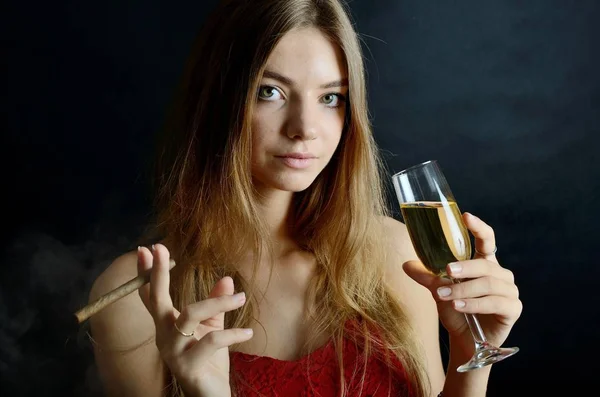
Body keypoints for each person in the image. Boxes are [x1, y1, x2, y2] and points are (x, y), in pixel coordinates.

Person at [87, 0, 523, 396]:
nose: (305, 127)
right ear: (218, 98)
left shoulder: (396, 255)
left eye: (330, 97)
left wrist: (470, 349)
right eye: (269, 91)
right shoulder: (138, 297)